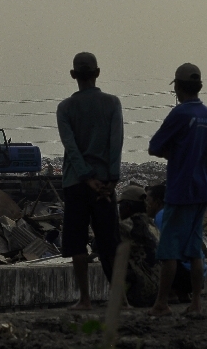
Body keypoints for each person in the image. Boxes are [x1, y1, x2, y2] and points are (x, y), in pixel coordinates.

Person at [57, 52, 124, 310]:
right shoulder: (112, 103)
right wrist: (112, 179)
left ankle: (84, 299)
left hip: (75, 183)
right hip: (105, 183)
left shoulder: (65, 108)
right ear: (97, 73)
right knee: (110, 242)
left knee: (77, 242)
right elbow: (115, 142)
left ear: (73, 75)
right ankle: (121, 299)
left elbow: (70, 147)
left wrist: (85, 177)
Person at [148, 63, 207, 317]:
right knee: (194, 250)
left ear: (177, 87)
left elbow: (155, 146)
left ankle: (161, 303)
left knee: (169, 251)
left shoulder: (180, 114)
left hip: (180, 190)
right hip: (202, 190)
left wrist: (173, 153)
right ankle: (196, 303)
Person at [146, 183, 201, 302]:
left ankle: (169, 294)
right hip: (198, 274)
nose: (146, 204)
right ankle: (182, 294)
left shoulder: (161, 216)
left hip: (181, 274)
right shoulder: (176, 213)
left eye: (148, 200)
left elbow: (163, 247)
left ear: (158, 202)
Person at [117, 185, 161, 307]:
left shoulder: (126, 226)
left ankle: (121, 300)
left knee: (108, 256)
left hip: (140, 293)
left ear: (127, 207)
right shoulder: (152, 225)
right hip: (159, 293)